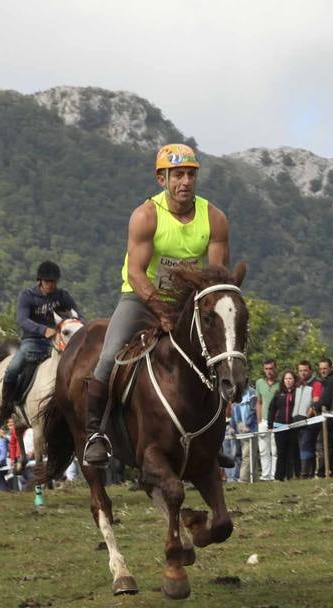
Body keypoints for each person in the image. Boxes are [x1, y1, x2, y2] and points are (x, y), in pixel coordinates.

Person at [82, 143, 230, 465]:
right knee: (110, 355)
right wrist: (160, 310)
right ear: (161, 179)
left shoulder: (215, 218)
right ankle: (95, 433)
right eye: (177, 175)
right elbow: (135, 272)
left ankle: (215, 437)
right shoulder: (146, 216)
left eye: (190, 175)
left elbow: (216, 278)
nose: (185, 182)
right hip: (141, 297)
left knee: (220, 353)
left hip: (187, 301)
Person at [0, 260, 81, 430]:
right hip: (32, 341)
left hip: (56, 343)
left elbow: (77, 315)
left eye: (54, 282)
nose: (51, 285)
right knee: (12, 369)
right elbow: (22, 320)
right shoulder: (27, 295)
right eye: (48, 282)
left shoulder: (62, 296)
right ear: (40, 281)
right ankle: (4, 408)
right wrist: (43, 330)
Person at [292, 360, 321, 477]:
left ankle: (305, 473)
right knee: (302, 446)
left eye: (305, 370)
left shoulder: (316, 383)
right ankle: (309, 473)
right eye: (300, 371)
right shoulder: (298, 384)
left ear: (310, 371)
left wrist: (307, 417)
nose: (303, 373)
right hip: (296, 419)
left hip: (309, 421)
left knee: (306, 445)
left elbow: (315, 402)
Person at [268, 370, 299, 481]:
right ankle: (279, 476)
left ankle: (291, 476)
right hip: (279, 427)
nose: (288, 381)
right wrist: (270, 425)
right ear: (283, 381)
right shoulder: (278, 394)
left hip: (293, 426)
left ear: (294, 380)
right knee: (281, 452)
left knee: (292, 452)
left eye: (290, 378)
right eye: (286, 379)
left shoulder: (297, 393)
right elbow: (271, 409)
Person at [254, 360, 278, 481]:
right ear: (264, 370)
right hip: (263, 420)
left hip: (276, 421)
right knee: (263, 450)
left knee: (275, 450)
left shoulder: (280, 384)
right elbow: (259, 402)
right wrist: (259, 420)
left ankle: (274, 474)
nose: (269, 371)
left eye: (271, 368)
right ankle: (265, 475)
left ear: (275, 368)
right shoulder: (259, 382)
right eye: (267, 369)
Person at [231, 381, 258, 482]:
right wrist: (232, 426)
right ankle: (255, 478)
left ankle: (243, 478)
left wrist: (247, 425)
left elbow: (253, 410)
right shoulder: (236, 395)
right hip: (240, 429)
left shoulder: (252, 393)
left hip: (251, 429)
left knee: (247, 455)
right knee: (250, 455)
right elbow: (234, 412)